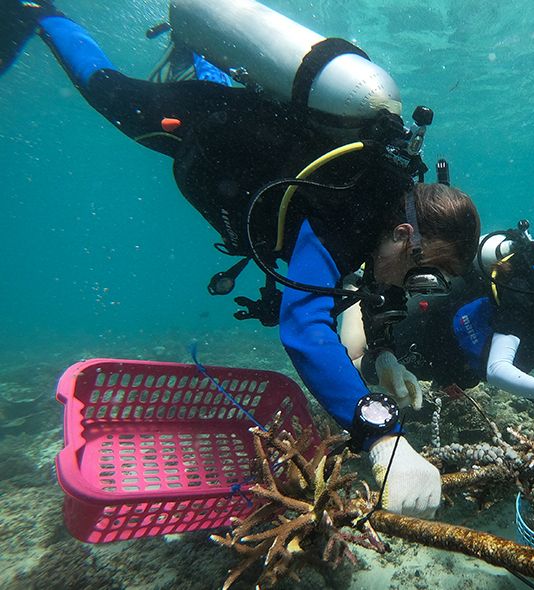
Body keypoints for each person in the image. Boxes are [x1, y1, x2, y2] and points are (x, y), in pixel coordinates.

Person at [4, 0, 481, 517]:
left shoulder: (384, 204)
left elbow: (365, 288)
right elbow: (304, 329)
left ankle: (197, 51)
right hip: (199, 127)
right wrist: (383, 437)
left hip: (243, 126)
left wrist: (384, 353)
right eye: (419, 271)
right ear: (405, 231)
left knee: (219, 92)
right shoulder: (339, 214)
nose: (409, 287)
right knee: (105, 90)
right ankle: (42, 14)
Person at [342, 216, 534, 425]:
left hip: (462, 361)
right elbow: (497, 369)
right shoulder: (524, 289)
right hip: (431, 334)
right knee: (357, 364)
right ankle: (354, 288)